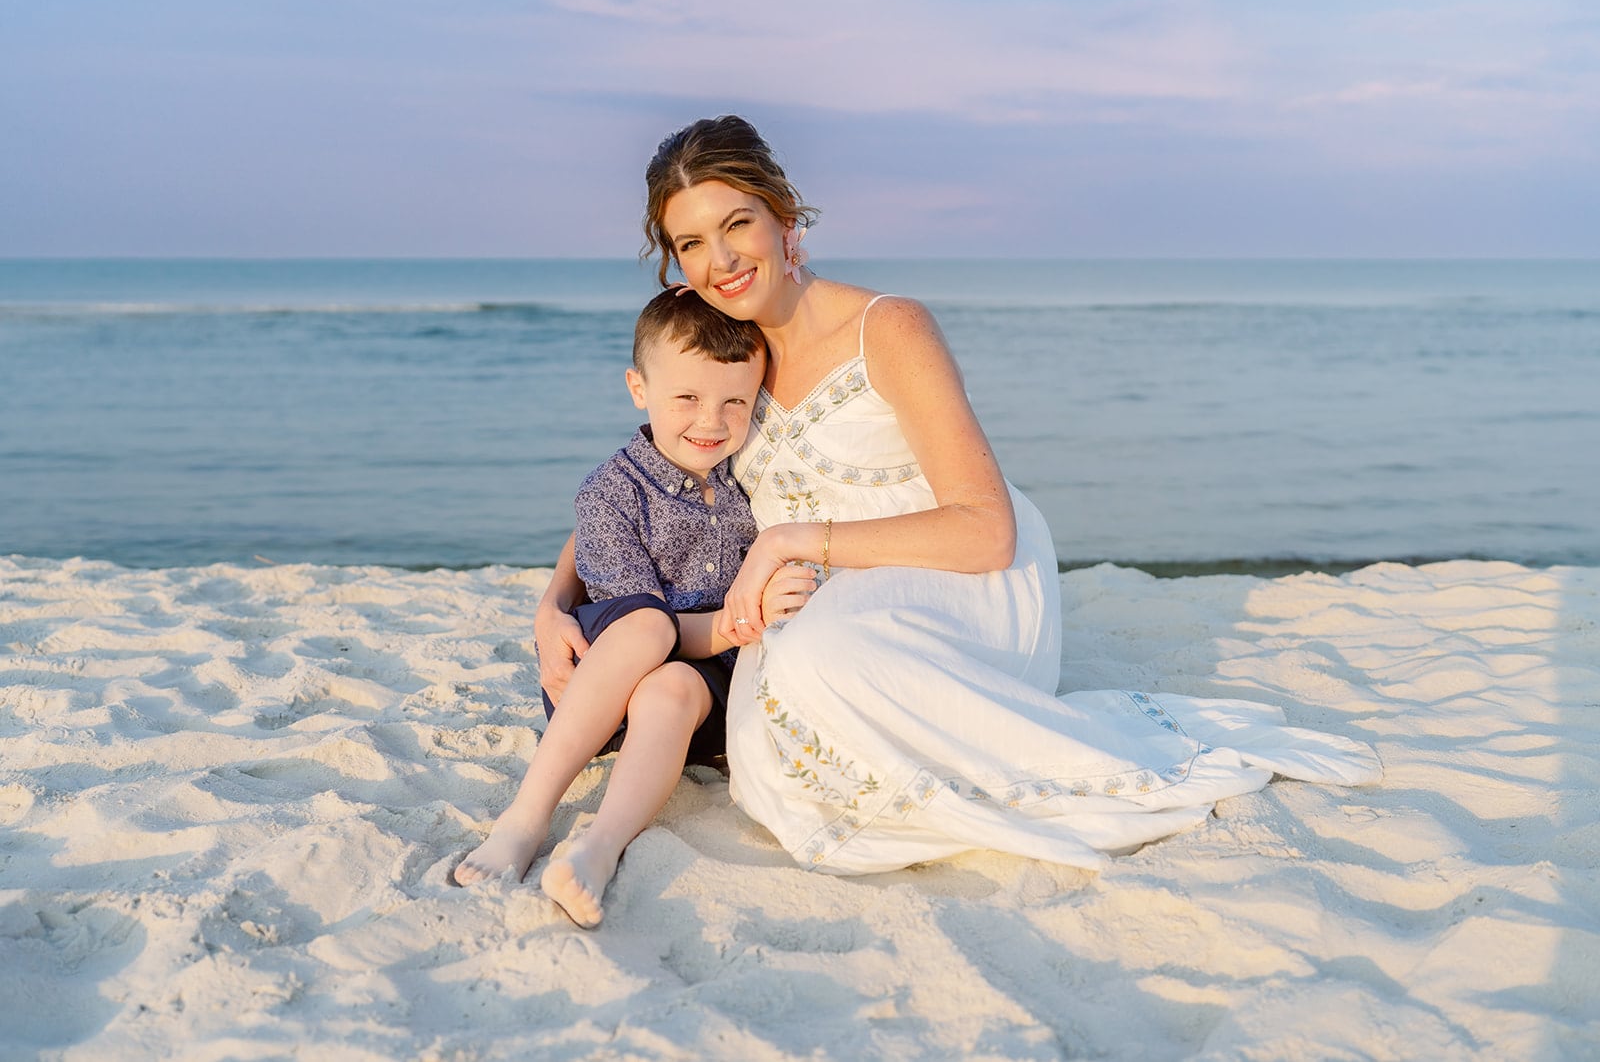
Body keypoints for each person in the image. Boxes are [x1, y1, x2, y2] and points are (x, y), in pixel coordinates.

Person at [535, 115, 1381, 882]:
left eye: (735, 225)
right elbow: (640, 481)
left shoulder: (888, 328)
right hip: (825, 596)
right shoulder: (723, 354)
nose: (719, 261)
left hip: (966, 578)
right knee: (772, 712)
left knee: (814, 656)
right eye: (691, 244)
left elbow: (986, 531)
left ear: (783, 216)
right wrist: (555, 603)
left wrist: (789, 540)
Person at [453, 287, 815, 927]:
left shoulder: (751, 477)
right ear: (638, 387)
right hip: (602, 678)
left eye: (736, 401)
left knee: (673, 686)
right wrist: (747, 615)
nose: (712, 421)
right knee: (649, 629)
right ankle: (526, 817)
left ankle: (597, 848)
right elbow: (643, 627)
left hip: (699, 698)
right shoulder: (611, 492)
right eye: (688, 398)